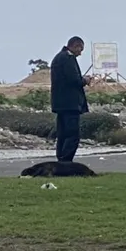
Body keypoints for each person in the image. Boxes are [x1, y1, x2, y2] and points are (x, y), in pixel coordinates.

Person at [50, 36, 90, 164]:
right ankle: (66, 160)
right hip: (70, 104)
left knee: (62, 134)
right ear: (75, 46)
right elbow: (74, 80)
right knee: (72, 134)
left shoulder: (58, 58)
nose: (80, 52)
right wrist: (85, 80)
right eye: (80, 49)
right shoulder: (68, 58)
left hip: (60, 103)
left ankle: (61, 158)